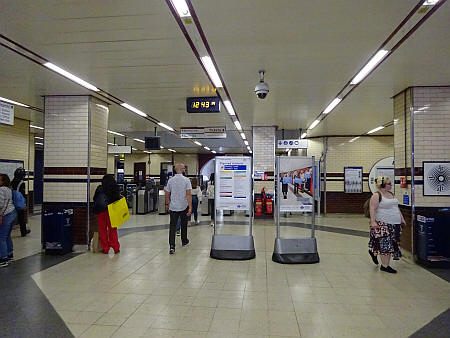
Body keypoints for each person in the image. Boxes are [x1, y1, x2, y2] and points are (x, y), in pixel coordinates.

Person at [368, 176, 405, 273]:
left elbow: (395, 207)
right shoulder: (377, 195)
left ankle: (374, 253)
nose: (391, 185)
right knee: (385, 245)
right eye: (389, 184)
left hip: (395, 223)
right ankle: (385, 266)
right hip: (383, 223)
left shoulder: (391, 194)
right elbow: (372, 208)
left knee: (392, 244)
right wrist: (373, 221)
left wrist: (401, 217)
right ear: (382, 185)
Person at [165, 163, 192, 254]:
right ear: (181, 169)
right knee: (184, 224)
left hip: (173, 206)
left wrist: (167, 204)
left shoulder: (170, 180)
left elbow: (167, 194)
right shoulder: (186, 180)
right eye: (184, 168)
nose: (185, 169)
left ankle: (172, 246)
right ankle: (184, 241)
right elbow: (188, 194)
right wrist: (190, 207)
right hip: (183, 206)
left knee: (172, 226)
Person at [93, 174, 121, 254]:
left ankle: (105, 248)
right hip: (112, 211)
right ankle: (116, 247)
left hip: (101, 211)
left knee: (103, 230)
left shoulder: (99, 188)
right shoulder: (115, 188)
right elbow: (117, 199)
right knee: (112, 230)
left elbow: (95, 199)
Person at [0, 174, 17, 267]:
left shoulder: (1, 189)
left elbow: (1, 204)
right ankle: (10, 255)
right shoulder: (9, 189)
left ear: (3, 181)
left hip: (6, 215)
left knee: (1, 237)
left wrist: (0, 215)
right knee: (7, 236)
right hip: (13, 213)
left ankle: (3, 259)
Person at [11, 167, 30, 237]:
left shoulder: (12, 181)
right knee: (21, 217)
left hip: (11, 201)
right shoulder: (22, 183)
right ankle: (23, 232)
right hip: (19, 202)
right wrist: (24, 203)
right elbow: (22, 194)